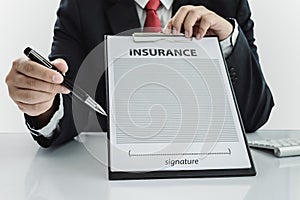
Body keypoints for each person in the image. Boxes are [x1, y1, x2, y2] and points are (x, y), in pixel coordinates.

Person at [5, 0, 274, 147]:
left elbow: (254, 117)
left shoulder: (226, 3)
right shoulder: (81, 6)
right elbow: (68, 103)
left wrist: (227, 42)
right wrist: (42, 105)